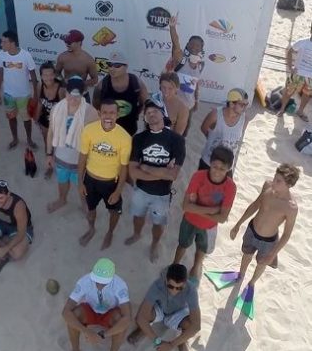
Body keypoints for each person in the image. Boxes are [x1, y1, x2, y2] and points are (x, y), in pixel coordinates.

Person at [125, 100, 186, 262]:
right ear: (144, 119)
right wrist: (162, 172)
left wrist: (147, 168)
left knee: (158, 223)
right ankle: (137, 234)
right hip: (141, 190)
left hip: (163, 194)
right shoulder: (138, 139)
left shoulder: (177, 140)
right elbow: (133, 172)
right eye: (148, 113)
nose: (151, 114)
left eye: (155, 111)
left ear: (163, 113)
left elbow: (173, 175)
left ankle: (154, 244)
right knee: (137, 216)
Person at [172, 146, 237, 282]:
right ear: (210, 163)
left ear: (228, 169)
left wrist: (196, 208)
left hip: (208, 227)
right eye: (215, 167)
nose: (217, 172)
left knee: (201, 249)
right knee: (182, 244)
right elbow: (185, 206)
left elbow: (223, 218)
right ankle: (174, 264)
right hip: (189, 220)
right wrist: (211, 210)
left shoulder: (230, 187)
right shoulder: (198, 176)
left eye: (222, 169)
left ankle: (196, 267)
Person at [229, 164, 299, 289]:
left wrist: (273, 254)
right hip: (252, 230)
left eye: (278, 181)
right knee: (246, 256)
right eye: (274, 177)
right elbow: (255, 205)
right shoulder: (267, 186)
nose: (274, 182)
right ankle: (240, 275)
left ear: (288, 185)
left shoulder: (291, 207)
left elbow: (286, 234)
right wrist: (238, 224)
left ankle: (251, 284)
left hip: (269, 241)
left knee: (261, 264)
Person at [62, 258, 131, 351]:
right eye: (97, 281)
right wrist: (86, 331)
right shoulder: (84, 281)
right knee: (74, 315)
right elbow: (66, 312)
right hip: (90, 310)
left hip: (109, 313)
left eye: (104, 282)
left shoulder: (120, 285)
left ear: (112, 277)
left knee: (120, 321)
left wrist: (103, 335)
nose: (99, 285)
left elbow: (127, 318)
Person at [78, 99, 132, 249]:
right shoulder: (89, 130)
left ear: (118, 114)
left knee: (114, 212)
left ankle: (110, 232)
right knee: (91, 209)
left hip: (110, 183)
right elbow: (82, 157)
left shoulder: (124, 137)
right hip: (90, 180)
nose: (108, 116)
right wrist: (80, 182)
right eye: (105, 112)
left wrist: (118, 190)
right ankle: (91, 228)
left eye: (112, 113)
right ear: (99, 113)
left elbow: (123, 167)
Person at [46, 77, 98, 213]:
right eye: (70, 95)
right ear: (65, 92)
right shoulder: (57, 109)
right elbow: (51, 133)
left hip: (80, 161)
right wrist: (49, 154)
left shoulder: (91, 112)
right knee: (62, 182)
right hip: (61, 156)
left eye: (77, 96)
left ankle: (84, 204)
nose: (73, 100)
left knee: (82, 186)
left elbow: (96, 138)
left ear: (83, 94)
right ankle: (62, 199)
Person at [127, 263, 200, 351]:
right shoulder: (157, 285)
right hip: (160, 308)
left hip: (178, 312)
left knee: (189, 324)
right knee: (142, 317)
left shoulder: (191, 290)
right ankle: (144, 329)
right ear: (165, 280)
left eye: (179, 288)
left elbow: (196, 326)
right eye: (170, 286)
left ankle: (181, 341)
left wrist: (171, 344)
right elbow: (140, 317)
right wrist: (157, 341)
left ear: (185, 283)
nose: (174, 291)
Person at [0, 30, 39, 150]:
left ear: (12, 43)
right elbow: (0, 74)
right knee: (11, 118)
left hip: (24, 95)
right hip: (8, 95)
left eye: (4, 42)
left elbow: (33, 76)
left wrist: (35, 95)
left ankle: (29, 139)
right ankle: (15, 138)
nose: (1, 44)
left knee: (27, 119)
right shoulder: (1, 55)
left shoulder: (26, 55)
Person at [92, 51, 148, 136]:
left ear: (126, 67)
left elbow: (144, 103)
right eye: (110, 64)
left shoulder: (136, 83)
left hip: (129, 131)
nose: (112, 68)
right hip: (108, 131)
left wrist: (134, 115)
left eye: (117, 66)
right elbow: (96, 104)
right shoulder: (103, 85)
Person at [198, 88, 249, 173]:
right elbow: (203, 128)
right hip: (209, 162)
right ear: (232, 104)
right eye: (242, 105)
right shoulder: (215, 115)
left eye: (246, 105)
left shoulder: (245, 119)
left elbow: (237, 137)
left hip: (227, 166)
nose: (245, 108)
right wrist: (212, 139)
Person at [166, 14, 204, 125]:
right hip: (174, 105)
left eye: (197, 46)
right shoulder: (181, 59)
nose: (194, 47)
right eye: (192, 44)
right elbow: (176, 44)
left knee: (183, 134)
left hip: (189, 107)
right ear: (187, 45)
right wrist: (172, 27)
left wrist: (196, 101)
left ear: (201, 49)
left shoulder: (200, 65)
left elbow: (195, 84)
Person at [34, 61, 65, 178]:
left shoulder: (61, 89)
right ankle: (50, 166)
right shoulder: (39, 85)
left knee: (60, 146)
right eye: (45, 75)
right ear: (41, 76)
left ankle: (63, 165)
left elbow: (65, 109)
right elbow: (40, 102)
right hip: (44, 119)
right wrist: (36, 118)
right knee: (48, 144)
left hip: (58, 122)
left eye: (50, 74)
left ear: (54, 75)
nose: (48, 77)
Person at [55, 29, 98, 102]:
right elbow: (56, 73)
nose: (67, 44)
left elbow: (95, 79)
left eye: (69, 42)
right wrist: (63, 81)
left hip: (82, 95)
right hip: (66, 94)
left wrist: (80, 83)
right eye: (66, 41)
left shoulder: (88, 60)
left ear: (79, 42)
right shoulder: (62, 57)